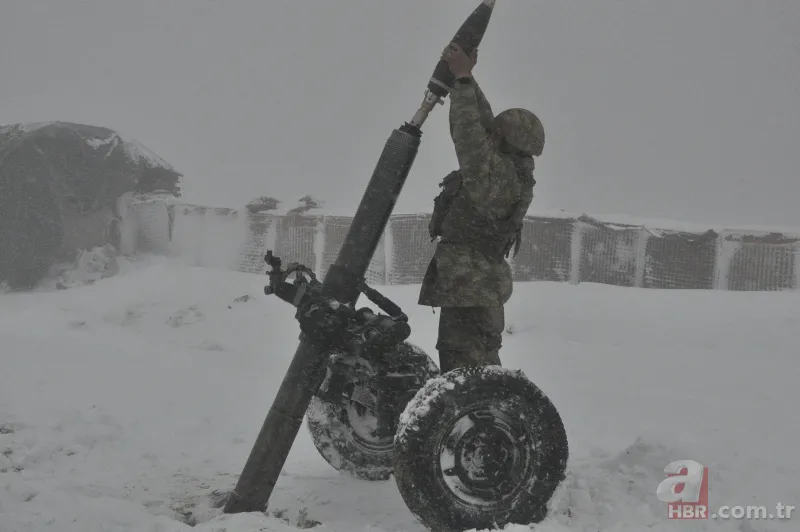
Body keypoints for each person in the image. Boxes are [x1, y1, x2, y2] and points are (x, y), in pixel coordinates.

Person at [418, 41, 545, 374]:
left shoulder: (498, 175)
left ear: (506, 140)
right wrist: (467, 78)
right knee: (474, 372)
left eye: (498, 135)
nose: (493, 136)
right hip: (474, 291)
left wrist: (460, 81)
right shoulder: (510, 169)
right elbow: (486, 124)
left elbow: (469, 135)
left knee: (466, 376)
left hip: (471, 294)